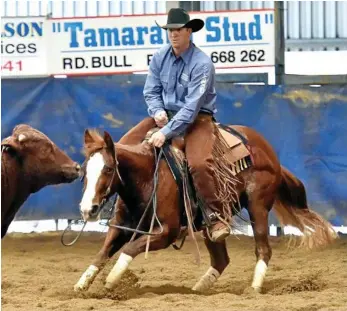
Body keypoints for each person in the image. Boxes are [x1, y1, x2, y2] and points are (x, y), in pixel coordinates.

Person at [135, 8, 234, 242]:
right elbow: (151, 90)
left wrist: (165, 132)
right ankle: (139, 210)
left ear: (189, 31)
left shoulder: (202, 64)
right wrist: (157, 110)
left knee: (199, 163)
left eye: (178, 30)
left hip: (198, 120)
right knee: (131, 149)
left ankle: (215, 215)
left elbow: (192, 108)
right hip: (165, 116)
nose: (173, 35)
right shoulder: (160, 56)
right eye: (170, 30)